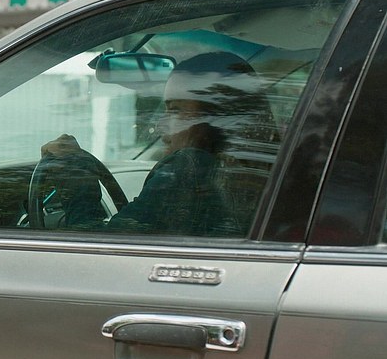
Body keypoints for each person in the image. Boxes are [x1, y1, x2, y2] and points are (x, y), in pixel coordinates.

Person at [41, 52, 271, 236]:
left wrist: (77, 184)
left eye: (175, 110)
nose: (161, 127)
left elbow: (97, 252)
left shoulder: (187, 169)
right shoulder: (257, 173)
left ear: (217, 119)